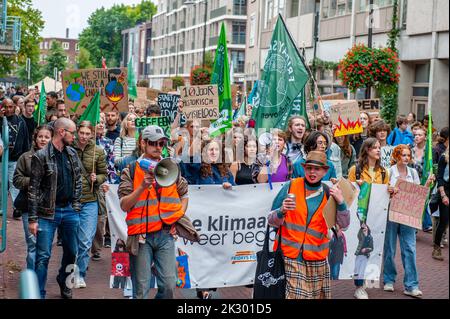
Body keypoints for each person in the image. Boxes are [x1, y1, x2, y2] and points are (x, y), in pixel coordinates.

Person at [118, 125, 189, 299]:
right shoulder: (131, 170)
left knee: (170, 285)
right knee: (141, 288)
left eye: (162, 143)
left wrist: (176, 219)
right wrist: (142, 186)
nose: (158, 147)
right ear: (143, 143)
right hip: (141, 236)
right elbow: (124, 205)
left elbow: (184, 194)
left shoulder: (170, 168)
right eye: (153, 143)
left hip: (165, 234)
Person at [268, 151, 350, 299]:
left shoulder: (329, 193)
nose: (312, 172)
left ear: (325, 171)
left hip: (317, 258)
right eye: (309, 168)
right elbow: (271, 220)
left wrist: (341, 202)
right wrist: (281, 211)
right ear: (304, 168)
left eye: (317, 169)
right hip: (290, 256)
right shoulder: (290, 187)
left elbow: (344, 225)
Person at [28, 117, 83, 299]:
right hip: (46, 213)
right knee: (43, 256)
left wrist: (76, 206)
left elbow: (78, 180)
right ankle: (39, 294)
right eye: (72, 132)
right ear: (61, 132)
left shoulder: (72, 154)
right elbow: (33, 188)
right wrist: (33, 219)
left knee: (73, 252)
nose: (74, 136)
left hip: (69, 210)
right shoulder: (41, 155)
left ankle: (65, 281)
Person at [383, 144, 434, 298]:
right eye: (403, 155)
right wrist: (389, 189)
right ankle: (389, 279)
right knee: (390, 249)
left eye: (408, 155)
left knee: (410, 249)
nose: (406, 158)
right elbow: (383, 190)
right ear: (396, 156)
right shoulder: (389, 172)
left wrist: (427, 185)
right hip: (392, 213)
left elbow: (418, 194)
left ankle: (411, 285)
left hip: (408, 215)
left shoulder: (413, 172)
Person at [348, 137, 389, 299]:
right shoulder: (355, 170)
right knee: (361, 250)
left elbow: (385, 194)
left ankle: (367, 280)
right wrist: (355, 185)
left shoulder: (384, 172)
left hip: (377, 216)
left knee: (374, 248)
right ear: (366, 150)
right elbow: (349, 194)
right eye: (375, 148)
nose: (378, 150)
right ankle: (359, 286)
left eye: (379, 147)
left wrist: (390, 191)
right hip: (360, 215)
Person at [13, 125, 53, 270]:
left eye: (46, 137)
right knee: (32, 244)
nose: (43, 140)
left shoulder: (56, 157)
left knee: (45, 246)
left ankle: (41, 274)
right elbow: (17, 180)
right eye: (40, 136)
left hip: (49, 207)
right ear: (35, 138)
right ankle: (32, 278)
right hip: (29, 206)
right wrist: (34, 180)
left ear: (52, 139)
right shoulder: (25, 157)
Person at [73, 120, 107, 288]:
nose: (84, 136)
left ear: (92, 134)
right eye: (82, 133)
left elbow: (104, 174)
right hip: (70, 201)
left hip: (90, 201)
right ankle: (69, 268)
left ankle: (80, 274)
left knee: (86, 240)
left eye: (88, 133)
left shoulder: (98, 151)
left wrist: (97, 178)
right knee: (71, 241)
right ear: (77, 132)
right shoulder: (68, 148)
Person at [0, 98, 31, 217]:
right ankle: (1, 207)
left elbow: (25, 139)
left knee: (14, 184)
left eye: (10, 106)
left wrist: (26, 156)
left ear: (14, 107)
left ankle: (16, 207)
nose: (8, 109)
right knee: (2, 184)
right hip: (2, 160)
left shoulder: (20, 122)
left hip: (15, 159)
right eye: (5, 107)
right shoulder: (0, 119)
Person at [432, 147, 449, 261]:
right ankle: (436, 248)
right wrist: (443, 195)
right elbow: (440, 178)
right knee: (443, 221)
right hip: (446, 191)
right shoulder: (444, 157)